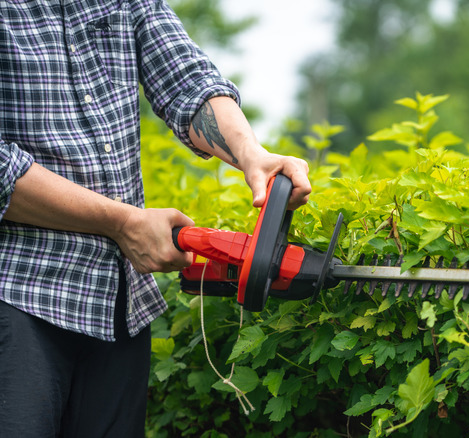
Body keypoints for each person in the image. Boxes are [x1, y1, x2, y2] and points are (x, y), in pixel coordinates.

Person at [0, 1, 311, 436]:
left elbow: (186, 80)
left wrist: (251, 154)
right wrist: (122, 222)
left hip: (119, 304)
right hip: (17, 297)